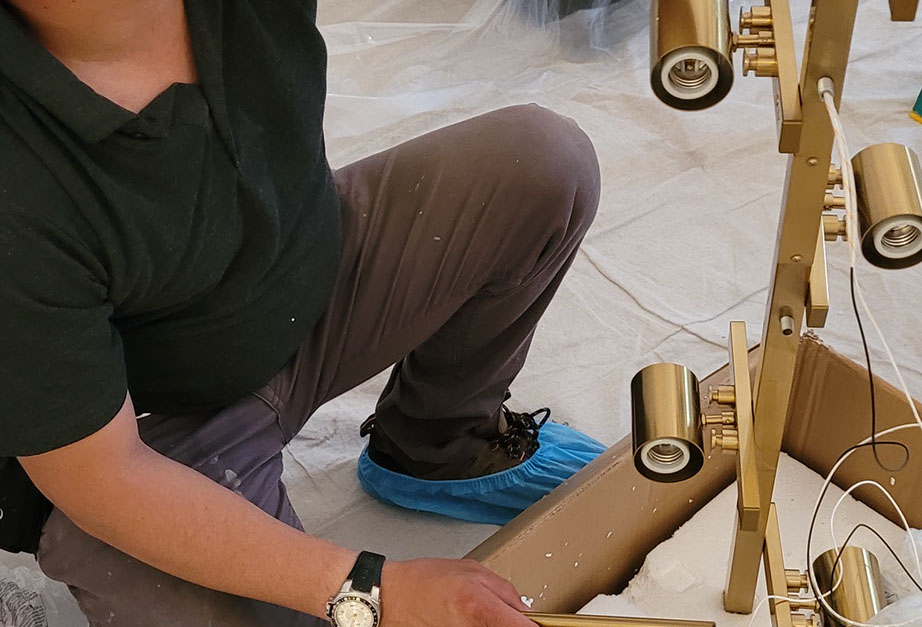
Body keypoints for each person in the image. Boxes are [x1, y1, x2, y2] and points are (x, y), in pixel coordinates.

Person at [0, 1, 604, 625]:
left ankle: (439, 447)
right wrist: (370, 592)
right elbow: (105, 479)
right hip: (141, 438)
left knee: (541, 164)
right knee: (226, 602)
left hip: (295, 274)